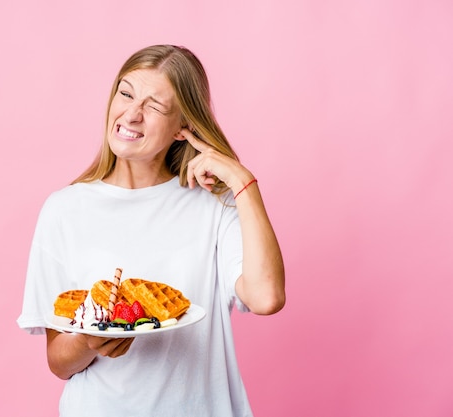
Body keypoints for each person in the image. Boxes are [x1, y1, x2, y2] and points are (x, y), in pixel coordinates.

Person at [17, 44, 285, 417]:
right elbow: (59, 362)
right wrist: (91, 339)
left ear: (182, 128)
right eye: (125, 93)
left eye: (154, 106)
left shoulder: (213, 204)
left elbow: (267, 298)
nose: (131, 114)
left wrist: (243, 183)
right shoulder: (64, 209)